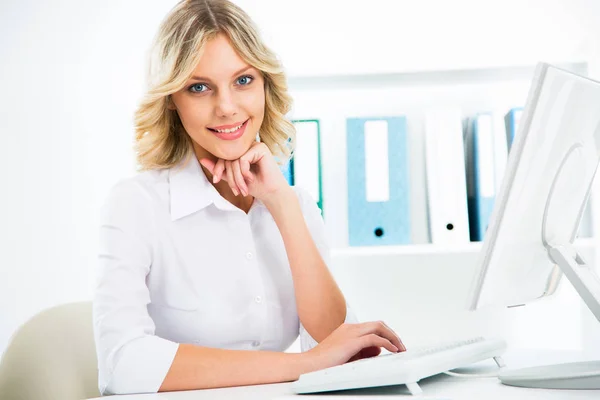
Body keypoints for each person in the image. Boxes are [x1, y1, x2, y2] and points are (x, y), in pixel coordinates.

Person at [92, 0, 405, 395]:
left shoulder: (296, 204)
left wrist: (283, 205)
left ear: (265, 84)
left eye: (243, 81)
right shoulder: (136, 205)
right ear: (172, 98)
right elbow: (123, 365)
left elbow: (339, 348)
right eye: (199, 87)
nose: (226, 108)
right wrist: (303, 365)